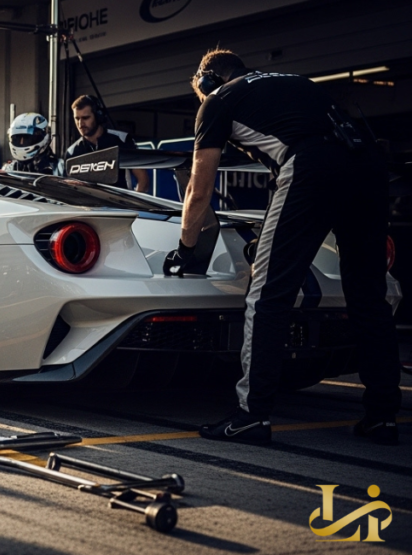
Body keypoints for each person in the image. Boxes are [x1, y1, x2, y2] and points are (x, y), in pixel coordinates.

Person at [165, 49, 401, 446]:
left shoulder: (218, 101)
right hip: (367, 165)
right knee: (369, 297)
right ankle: (382, 416)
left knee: (267, 295)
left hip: (312, 165)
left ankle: (252, 416)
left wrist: (187, 248)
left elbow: (198, 189)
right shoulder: (294, 82)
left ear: (206, 83)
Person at [60, 95, 151, 193]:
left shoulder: (121, 140)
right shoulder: (72, 152)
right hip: (88, 207)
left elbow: (143, 180)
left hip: (119, 206)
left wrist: (132, 206)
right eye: (77, 118)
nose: (80, 124)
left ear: (98, 116)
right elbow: (68, 189)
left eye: (85, 118)